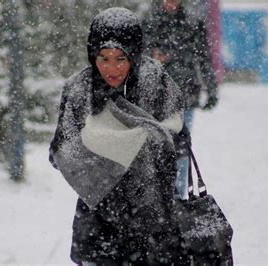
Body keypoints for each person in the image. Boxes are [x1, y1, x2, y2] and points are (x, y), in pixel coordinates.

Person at [49, 7, 190, 265]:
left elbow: (179, 141)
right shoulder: (79, 91)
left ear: (134, 55)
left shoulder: (157, 82)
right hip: (98, 226)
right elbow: (60, 152)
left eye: (120, 59)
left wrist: (129, 144)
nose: (111, 68)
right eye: (103, 58)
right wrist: (113, 152)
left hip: (153, 225)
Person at [143, 0, 219, 200]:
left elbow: (204, 58)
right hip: (155, 96)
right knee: (157, 147)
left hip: (185, 94)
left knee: (181, 147)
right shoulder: (149, 22)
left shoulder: (193, 23)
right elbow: (138, 57)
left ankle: (178, 197)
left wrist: (211, 90)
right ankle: (160, 196)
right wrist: (153, 57)